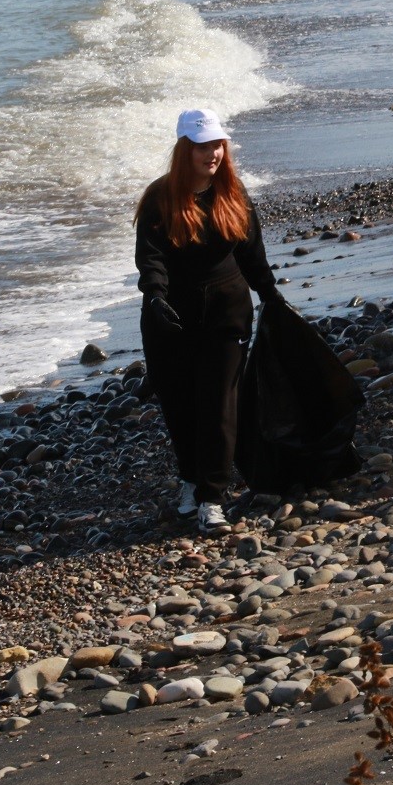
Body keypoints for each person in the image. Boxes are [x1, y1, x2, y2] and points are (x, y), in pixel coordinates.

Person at [134, 109, 283, 536]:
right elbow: (151, 257)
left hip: (226, 312)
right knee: (181, 407)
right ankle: (190, 479)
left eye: (217, 144)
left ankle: (212, 499)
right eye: (202, 146)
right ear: (185, 150)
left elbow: (252, 253)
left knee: (219, 406)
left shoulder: (234, 194)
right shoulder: (160, 198)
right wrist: (155, 296)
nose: (212, 153)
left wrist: (269, 293)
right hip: (170, 319)